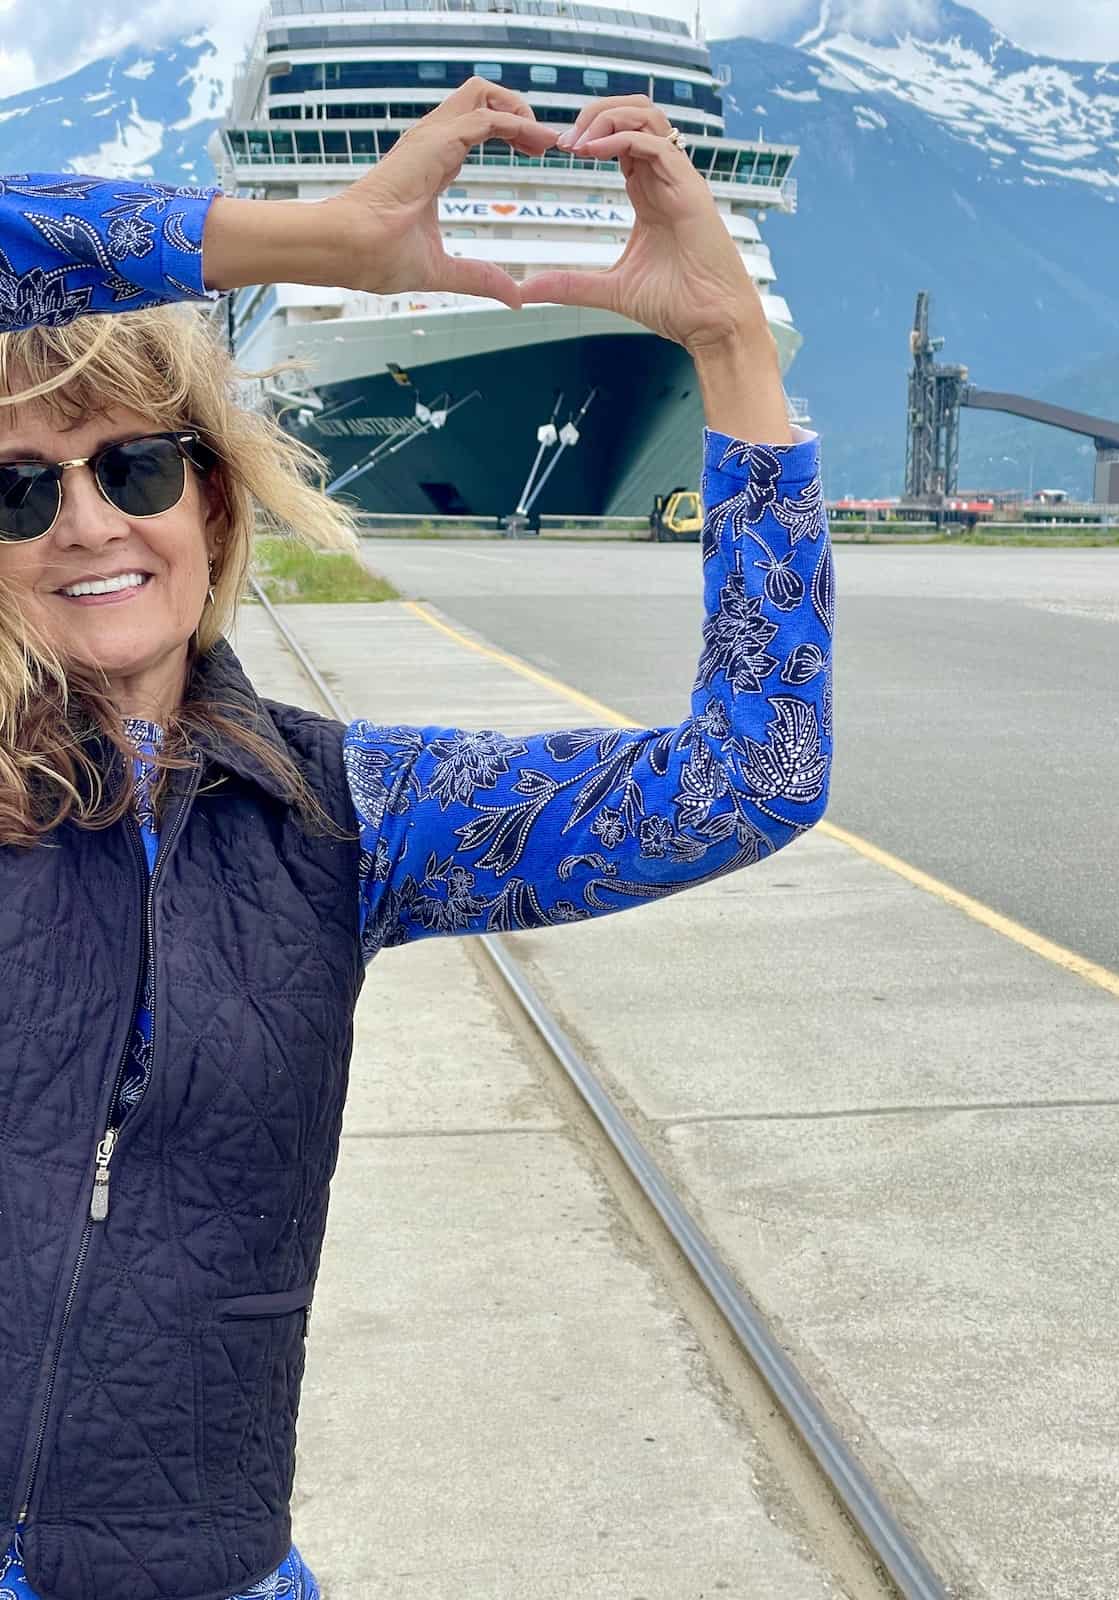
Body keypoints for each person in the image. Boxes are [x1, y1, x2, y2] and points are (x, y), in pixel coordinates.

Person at [0, 79, 832, 1600]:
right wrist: (320, 238)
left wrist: (730, 347)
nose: (87, 524)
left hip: (204, 1565)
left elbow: (750, 774)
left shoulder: (348, 811)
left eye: (133, 466)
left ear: (212, 493)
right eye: (16, 487)